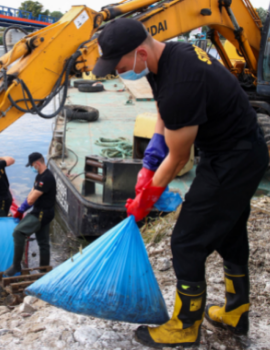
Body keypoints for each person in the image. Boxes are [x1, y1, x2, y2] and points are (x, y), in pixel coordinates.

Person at [93, 18, 268, 347]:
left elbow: (177, 159)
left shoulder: (180, 83)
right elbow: (165, 109)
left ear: (140, 53)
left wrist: (147, 195)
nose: (117, 73)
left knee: (186, 241)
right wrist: (150, 157)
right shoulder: (171, 55)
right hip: (239, 151)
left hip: (233, 159)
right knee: (229, 230)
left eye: (118, 66)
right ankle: (236, 313)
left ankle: (186, 327)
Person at [3, 152, 56, 277]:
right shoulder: (39, 176)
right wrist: (23, 207)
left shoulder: (46, 178)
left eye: (32, 165)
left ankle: (16, 265)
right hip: (43, 211)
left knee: (18, 232)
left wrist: (20, 210)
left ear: (37, 163)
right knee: (43, 242)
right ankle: (44, 270)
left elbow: (31, 200)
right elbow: (31, 193)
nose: (32, 168)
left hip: (43, 213)